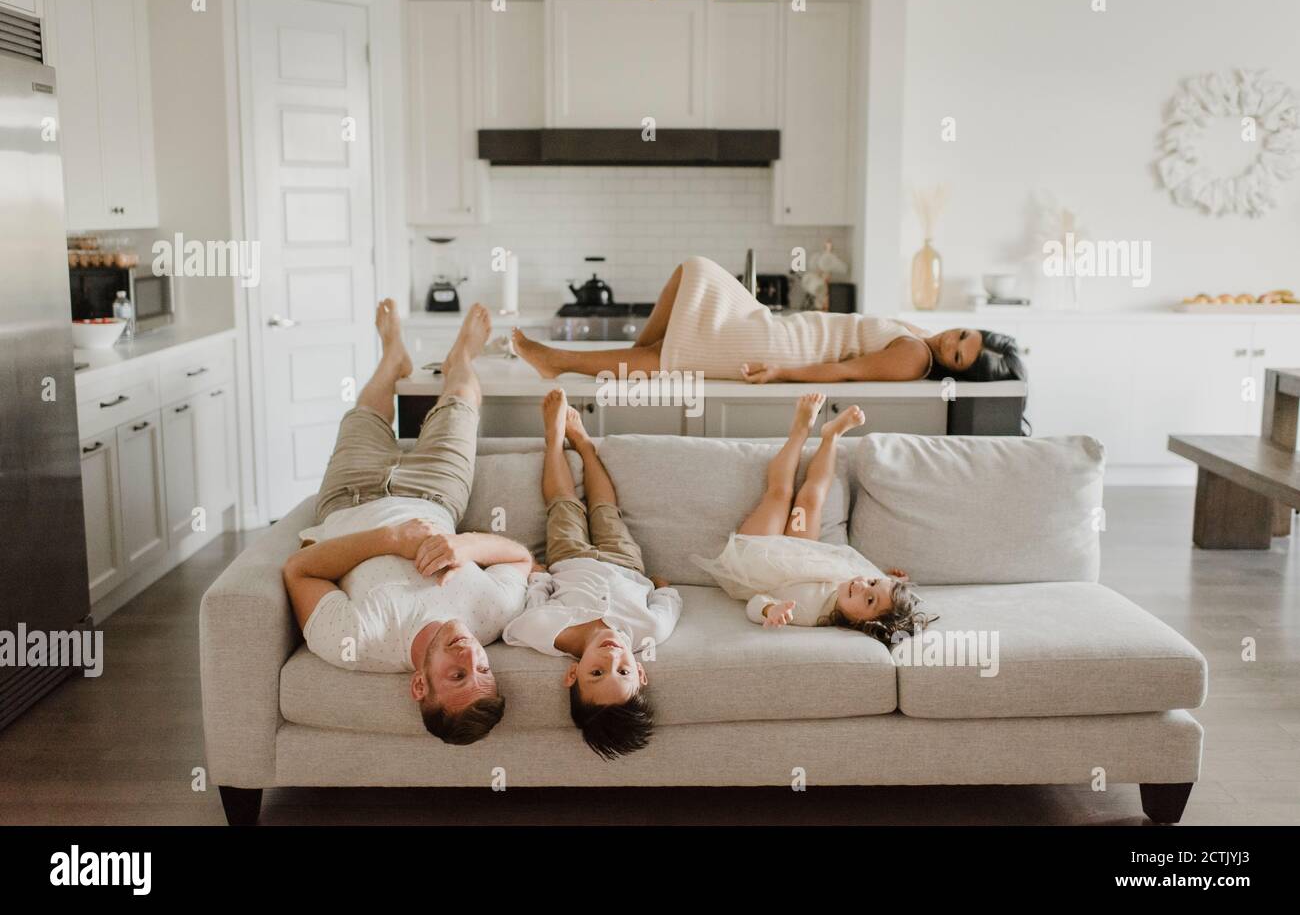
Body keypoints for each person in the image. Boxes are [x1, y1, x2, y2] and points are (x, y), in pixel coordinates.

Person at [282, 301, 532, 746]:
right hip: (435, 494)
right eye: (483, 668)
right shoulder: (492, 616)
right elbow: (520, 558)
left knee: (364, 415)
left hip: (349, 499)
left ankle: (392, 356)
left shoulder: (355, 642)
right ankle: (461, 359)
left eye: (457, 674)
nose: (471, 654)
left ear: (420, 685)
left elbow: (299, 570)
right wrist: (466, 547)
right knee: (461, 403)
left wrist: (391, 538)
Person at [502, 389, 683, 760]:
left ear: (573, 675)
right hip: (626, 564)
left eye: (596, 674)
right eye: (623, 672)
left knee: (564, 504)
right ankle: (585, 447)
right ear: (641, 674)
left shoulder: (546, 633)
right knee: (605, 509)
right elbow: (669, 602)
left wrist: (537, 578)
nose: (611, 660)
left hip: (569, 559)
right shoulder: (650, 631)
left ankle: (553, 442)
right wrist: (662, 588)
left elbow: (522, 616)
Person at [511, 255, 984, 383]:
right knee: (693, 272)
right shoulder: (920, 337)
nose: (951, 346)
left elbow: (843, 371)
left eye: (959, 358)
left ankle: (559, 360)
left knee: (669, 360)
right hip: (782, 331)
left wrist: (781, 373)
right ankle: (566, 361)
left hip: (784, 349)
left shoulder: (915, 358)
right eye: (961, 336)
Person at [696, 393, 936, 644]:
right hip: (798, 551)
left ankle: (799, 430)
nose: (863, 585)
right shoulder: (858, 583)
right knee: (810, 500)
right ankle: (831, 435)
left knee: (780, 494)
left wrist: (771, 611)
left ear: (863, 623)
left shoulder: (810, 613)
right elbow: (876, 586)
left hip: (758, 555)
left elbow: (757, 602)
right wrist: (893, 580)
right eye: (873, 582)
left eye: (870, 599)